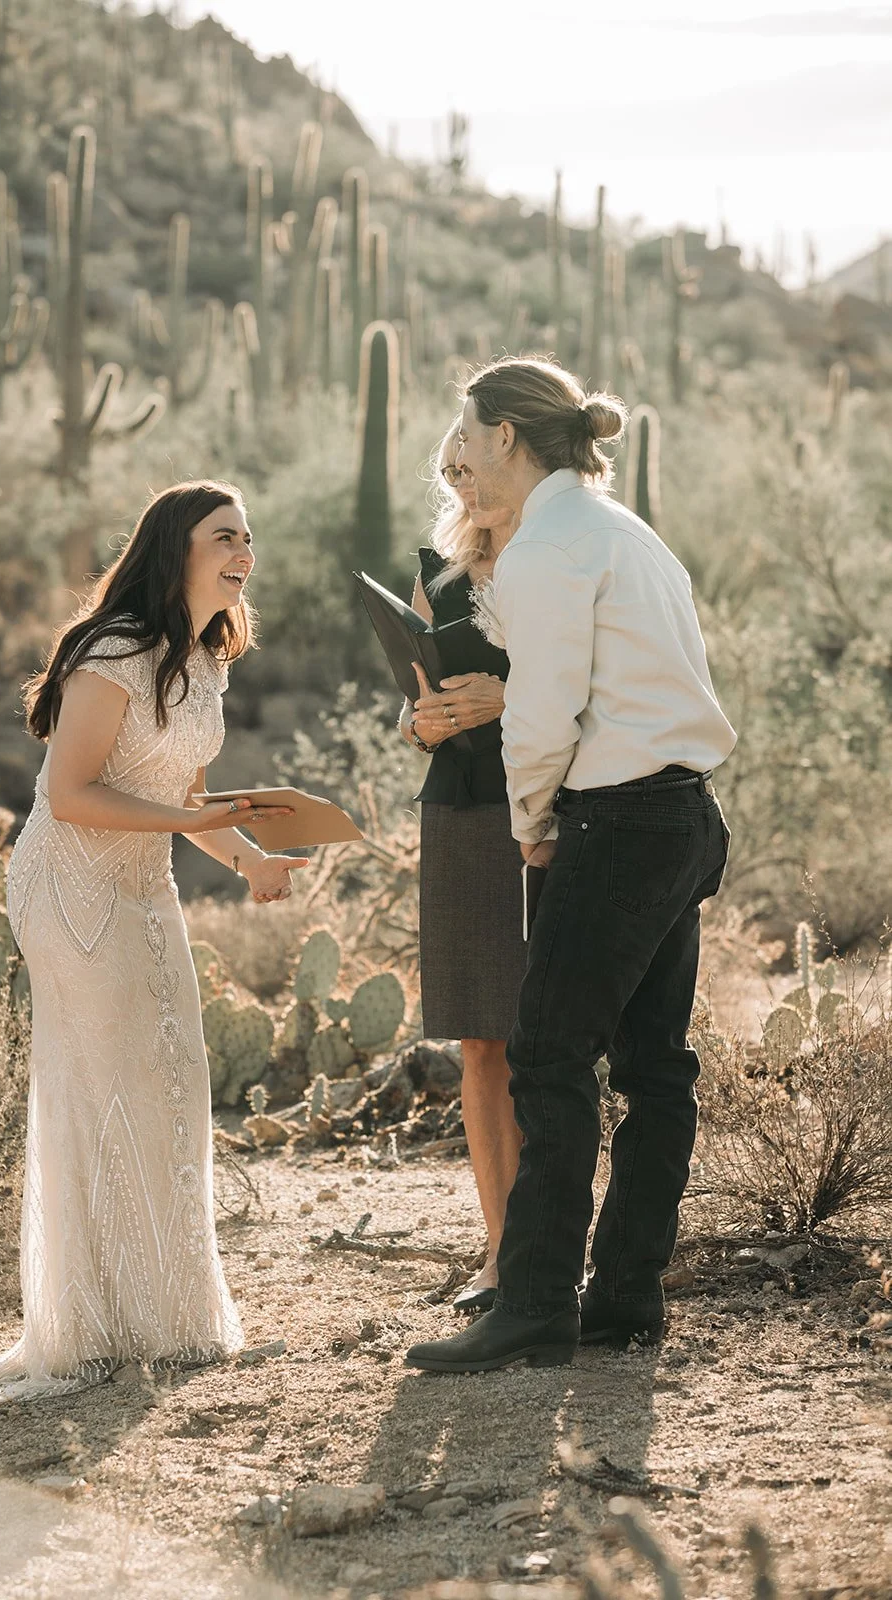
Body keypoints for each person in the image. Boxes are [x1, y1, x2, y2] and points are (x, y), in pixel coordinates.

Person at [0, 481, 307, 1406]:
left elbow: (186, 793)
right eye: (223, 537)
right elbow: (74, 793)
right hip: (68, 880)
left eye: (249, 538)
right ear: (176, 549)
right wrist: (193, 821)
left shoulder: (205, 661)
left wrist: (248, 859)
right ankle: (83, 1326)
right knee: (100, 1080)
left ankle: (165, 1316)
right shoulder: (113, 653)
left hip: (143, 878)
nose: (244, 552)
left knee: (169, 1072)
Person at [406, 358, 736, 1374]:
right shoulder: (620, 531)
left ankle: (538, 1301)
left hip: (616, 822)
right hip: (681, 814)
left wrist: (530, 823)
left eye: (469, 431)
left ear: (506, 434)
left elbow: (542, 715)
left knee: (547, 1058)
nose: (460, 451)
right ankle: (625, 1297)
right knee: (651, 1069)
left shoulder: (551, 544)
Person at [398, 422, 527, 1313]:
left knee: (554, 1044)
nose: (461, 484)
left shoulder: (567, 558)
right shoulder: (435, 580)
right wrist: (423, 725)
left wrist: (509, 699)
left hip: (567, 811)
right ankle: (501, 1252)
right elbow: (410, 710)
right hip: (462, 812)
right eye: (448, 472)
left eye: (470, 465)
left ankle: (566, 1247)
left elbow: (612, 688)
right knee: (482, 1037)